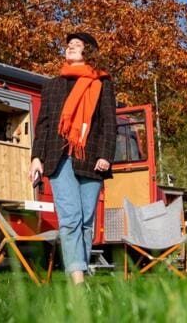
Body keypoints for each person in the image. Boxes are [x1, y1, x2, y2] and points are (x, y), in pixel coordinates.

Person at [28, 32, 115, 285]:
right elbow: (43, 124)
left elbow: (109, 122)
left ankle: (82, 269)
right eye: (68, 45)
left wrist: (106, 155)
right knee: (71, 218)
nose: (70, 48)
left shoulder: (103, 83)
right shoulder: (52, 85)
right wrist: (36, 157)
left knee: (87, 220)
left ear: (89, 52)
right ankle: (77, 281)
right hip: (59, 156)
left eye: (77, 45)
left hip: (92, 158)